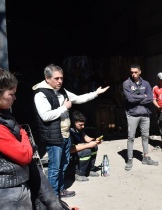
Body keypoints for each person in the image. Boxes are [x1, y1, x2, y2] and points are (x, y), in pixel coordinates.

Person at [33, 64, 109, 198]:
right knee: (54, 168)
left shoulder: (62, 91)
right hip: (54, 137)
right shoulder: (41, 94)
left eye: (61, 78)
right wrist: (64, 107)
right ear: (47, 78)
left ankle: (60, 190)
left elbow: (79, 98)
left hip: (65, 135)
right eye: (56, 78)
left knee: (63, 164)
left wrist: (96, 93)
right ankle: (53, 196)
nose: (60, 81)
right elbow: (45, 116)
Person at [0, 64, 39, 210]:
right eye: (11, 94)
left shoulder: (3, 117)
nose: (14, 97)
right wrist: (22, 133)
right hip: (10, 194)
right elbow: (25, 155)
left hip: (9, 191)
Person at [123, 64, 159, 170]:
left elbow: (150, 98)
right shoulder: (127, 83)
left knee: (145, 136)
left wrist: (137, 98)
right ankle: (129, 159)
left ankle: (146, 157)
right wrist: (143, 96)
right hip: (132, 114)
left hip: (145, 114)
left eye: (135, 72)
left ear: (140, 72)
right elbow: (129, 99)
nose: (133, 74)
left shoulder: (146, 84)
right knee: (131, 137)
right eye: (131, 72)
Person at [70, 111, 102, 182]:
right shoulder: (69, 131)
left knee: (94, 147)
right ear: (74, 122)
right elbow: (71, 149)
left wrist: (95, 140)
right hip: (70, 155)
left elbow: (86, 138)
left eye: (83, 124)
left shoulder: (79, 129)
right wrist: (87, 145)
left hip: (77, 150)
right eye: (80, 125)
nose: (83, 127)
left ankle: (89, 169)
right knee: (86, 151)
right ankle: (79, 174)